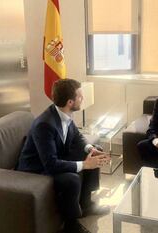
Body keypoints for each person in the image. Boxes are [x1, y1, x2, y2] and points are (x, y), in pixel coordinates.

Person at [16, 79, 110, 233]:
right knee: (71, 179)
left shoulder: (63, 113)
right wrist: (84, 165)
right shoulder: (44, 124)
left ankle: (86, 205)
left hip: (54, 156)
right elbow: (50, 164)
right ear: (70, 102)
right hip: (36, 169)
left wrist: (89, 148)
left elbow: (76, 136)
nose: (83, 99)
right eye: (80, 97)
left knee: (93, 152)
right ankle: (71, 225)